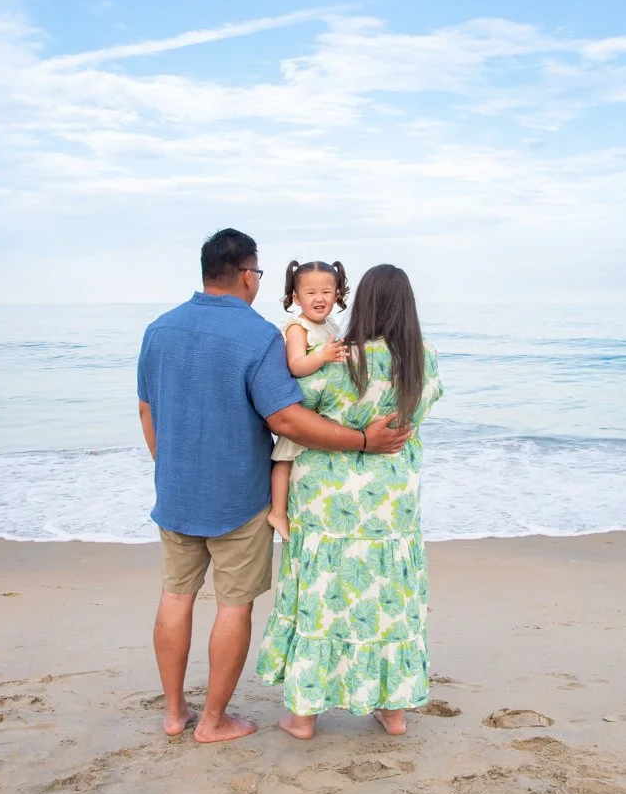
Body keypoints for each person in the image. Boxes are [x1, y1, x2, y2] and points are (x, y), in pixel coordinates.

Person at [137, 230, 412, 744]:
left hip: (175, 492)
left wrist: (167, 468)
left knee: (175, 597)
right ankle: (213, 721)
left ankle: (175, 714)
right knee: (232, 605)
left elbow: (146, 410)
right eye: (258, 274)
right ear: (247, 275)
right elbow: (287, 420)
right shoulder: (257, 335)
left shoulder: (159, 329)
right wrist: (361, 441)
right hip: (237, 497)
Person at [257, 263, 443, 740]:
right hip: (393, 499)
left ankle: (303, 718)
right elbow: (425, 404)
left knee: (323, 595)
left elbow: (292, 409)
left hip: (327, 501)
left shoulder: (340, 358)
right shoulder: (425, 358)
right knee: (389, 597)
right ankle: (394, 713)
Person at [268, 259, 350, 541]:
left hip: (322, 406)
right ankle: (277, 512)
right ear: (296, 297)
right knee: (285, 458)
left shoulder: (331, 326)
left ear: (337, 294)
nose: (319, 298)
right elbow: (296, 364)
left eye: (327, 292)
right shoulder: (297, 327)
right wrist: (322, 356)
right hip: (301, 405)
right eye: (311, 293)